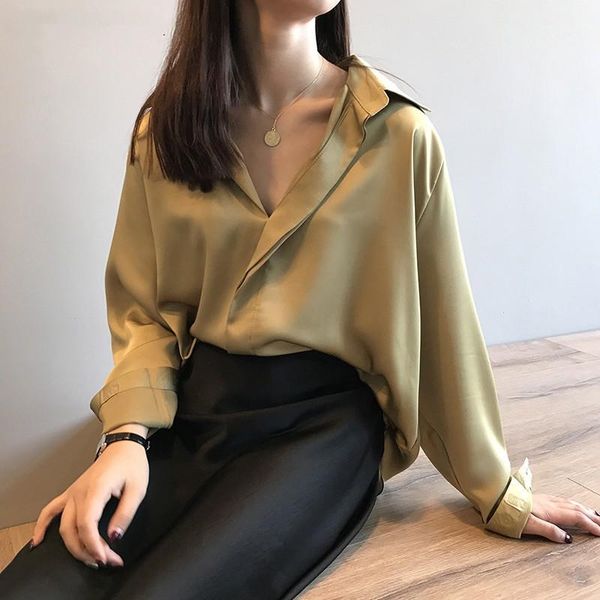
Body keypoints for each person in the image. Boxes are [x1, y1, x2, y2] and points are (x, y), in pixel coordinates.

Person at [3, 0, 600, 598]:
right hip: (190, 413)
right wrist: (126, 438)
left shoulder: (396, 135)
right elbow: (145, 314)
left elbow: (443, 328)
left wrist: (496, 490)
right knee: (39, 582)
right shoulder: (167, 133)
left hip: (324, 427)